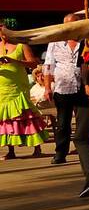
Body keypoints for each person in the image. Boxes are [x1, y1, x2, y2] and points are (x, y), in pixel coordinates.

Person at [42, 20, 89, 169]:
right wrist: (47, 87)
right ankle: (60, 153)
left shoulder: (85, 40)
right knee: (63, 122)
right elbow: (48, 65)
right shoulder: (55, 42)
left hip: (83, 86)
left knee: (82, 121)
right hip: (63, 86)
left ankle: (82, 147)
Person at [0, 27, 49, 159]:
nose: (3, 35)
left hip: (18, 87)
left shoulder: (21, 45)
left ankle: (37, 147)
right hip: (3, 88)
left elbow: (34, 64)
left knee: (26, 116)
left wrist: (13, 61)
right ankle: (11, 150)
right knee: (7, 119)